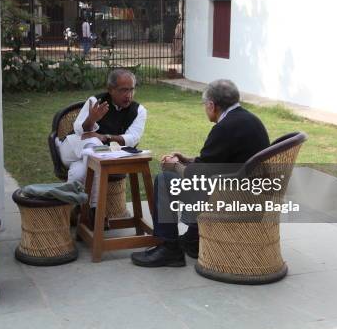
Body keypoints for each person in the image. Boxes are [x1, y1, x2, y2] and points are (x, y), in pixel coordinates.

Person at [131, 79, 270, 268]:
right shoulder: (249, 120)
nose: (205, 109)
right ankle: (192, 239)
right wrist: (188, 160)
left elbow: (199, 175)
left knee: (164, 180)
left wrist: (175, 167)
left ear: (212, 105)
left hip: (232, 198)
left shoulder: (224, 128)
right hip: (252, 194)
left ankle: (169, 248)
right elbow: (217, 161)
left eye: (205, 105)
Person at [57, 69, 147, 213]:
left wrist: (104, 137)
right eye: (123, 90)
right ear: (110, 89)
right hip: (72, 149)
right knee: (93, 142)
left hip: (96, 157)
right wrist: (92, 120)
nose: (128, 95)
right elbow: (79, 130)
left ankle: (73, 212)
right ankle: (95, 208)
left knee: (80, 172)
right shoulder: (95, 101)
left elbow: (132, 139)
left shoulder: (139, 111)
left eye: (131, 90)